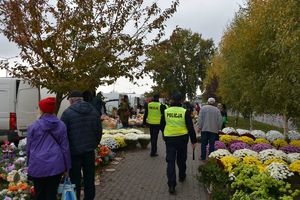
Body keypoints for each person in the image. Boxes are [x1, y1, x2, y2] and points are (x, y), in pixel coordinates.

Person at [27, 97, 71, 200]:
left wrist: (29, 164)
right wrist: (67, 167)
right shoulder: (61, 125)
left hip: (37, 165)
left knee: (39, 194)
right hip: (56, 165)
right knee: (52, 194)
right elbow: (65, 148)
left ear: (41, 110)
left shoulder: (33, 126)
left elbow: (28, 147)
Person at [61, 91, 102, 200]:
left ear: (72, 100)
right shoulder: (94, 111)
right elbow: (99, 131)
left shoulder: (67, 113)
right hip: (89, 151)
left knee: (75, 180)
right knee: (89, 179)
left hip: (74, 153)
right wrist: (94, 144)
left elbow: (62, 135)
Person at [160, 92, 197, 194]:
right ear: (181, 100)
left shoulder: (166, 111)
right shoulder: (185, 112)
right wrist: (194, 141)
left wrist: (164, 134)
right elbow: (190, 127)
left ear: (172, 100)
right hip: (182, 139)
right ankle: (181, 175)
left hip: (170, 139)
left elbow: (162, 125)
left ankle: (171, 185)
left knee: (170, 161)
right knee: (181, 159)